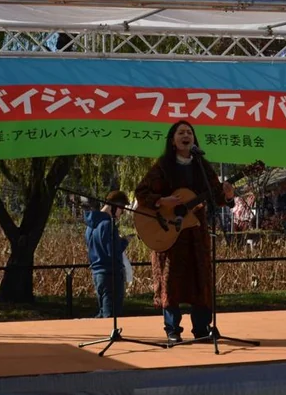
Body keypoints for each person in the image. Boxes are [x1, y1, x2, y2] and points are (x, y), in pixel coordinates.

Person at [134, 120, 235, 343]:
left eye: (189, 132)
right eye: (181, 132)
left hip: (196, 233)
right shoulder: (162, 166)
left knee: (201, 280)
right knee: (170, 281)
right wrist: (162, 201)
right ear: (173, 140)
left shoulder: (202, 165)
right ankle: (172, 330)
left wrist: (227, 196)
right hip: (169, 232)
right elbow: (141, 193)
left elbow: (216, 196)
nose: (186, 135)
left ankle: (201, 329)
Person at [85, 190, 130, 318]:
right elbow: (113, 252)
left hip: (97, 273)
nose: (122, 213)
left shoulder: (90, 226)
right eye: (122, 209)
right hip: (111, 274)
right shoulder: (108, 225)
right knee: (111, 315)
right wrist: (124, 241)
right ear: (115, 206)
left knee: (103, 311)